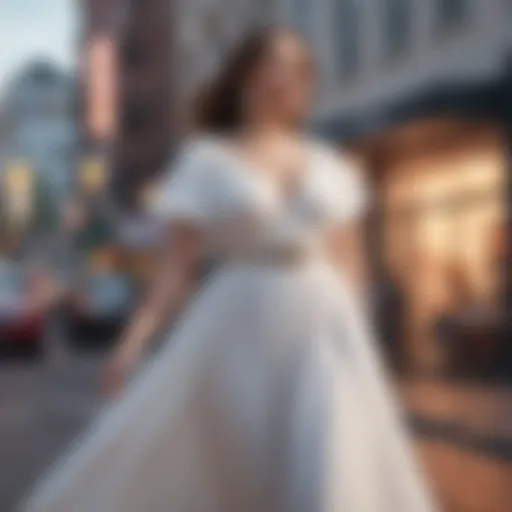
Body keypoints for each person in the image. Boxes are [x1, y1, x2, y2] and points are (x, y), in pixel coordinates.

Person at [21, 27, 438, 512]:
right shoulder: (206, 162)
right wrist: (132, 343)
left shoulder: (331, 164)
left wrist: (363, 346)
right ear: (245, 77)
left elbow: (350, 265)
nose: (286, 78)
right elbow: (176, 269)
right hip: (237, 325)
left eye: (297, 68)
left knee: (329, 463)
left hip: (324, 327)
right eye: (274, 65)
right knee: (236, 459)